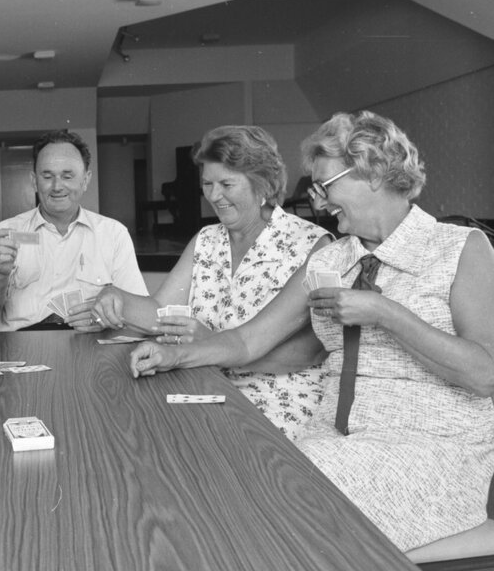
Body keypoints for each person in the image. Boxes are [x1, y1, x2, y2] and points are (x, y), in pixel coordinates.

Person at [129, 111, 494, 556]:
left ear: (374, 172)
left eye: (326, 186)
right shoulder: (333, 259)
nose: (318, 203)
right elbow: (247, 341)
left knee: (270, 511)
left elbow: (485, 375)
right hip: (334, 439)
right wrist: (175, 356)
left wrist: (385, 313)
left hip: (432, 450)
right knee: (225, 478)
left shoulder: (460, 248)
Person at [93, 126, 332, 440]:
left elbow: (312, 352)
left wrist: (207, 343)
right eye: (207, 183)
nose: (214, 196)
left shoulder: (312, 246)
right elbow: (161, 312)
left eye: (226, 184)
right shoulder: (206, 240)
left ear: (263, 184)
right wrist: (114, 297)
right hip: (205, 382)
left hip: (279, 399)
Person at [0, 129, 148, 331]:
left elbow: (138, 309)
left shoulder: (113, 234)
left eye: (67, 176)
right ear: (34, 181)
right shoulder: (3, 234)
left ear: (85, 180)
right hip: (20, 344)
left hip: (90, 342)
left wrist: (104, 316)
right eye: (47, 176)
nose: (57, 186)